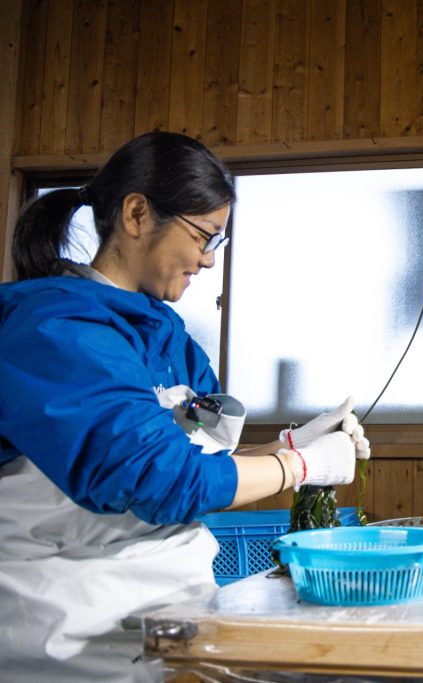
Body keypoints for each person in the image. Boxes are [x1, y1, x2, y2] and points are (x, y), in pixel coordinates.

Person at [0, 131, 370, 682]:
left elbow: (189, 454)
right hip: (73, 633)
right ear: (136, 214)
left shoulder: (170, 342)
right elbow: (158, 480)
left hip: (174, 608)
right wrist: (299, 469)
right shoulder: (54, 332)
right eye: (203, 237)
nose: (208, 261)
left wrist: (290, 444)